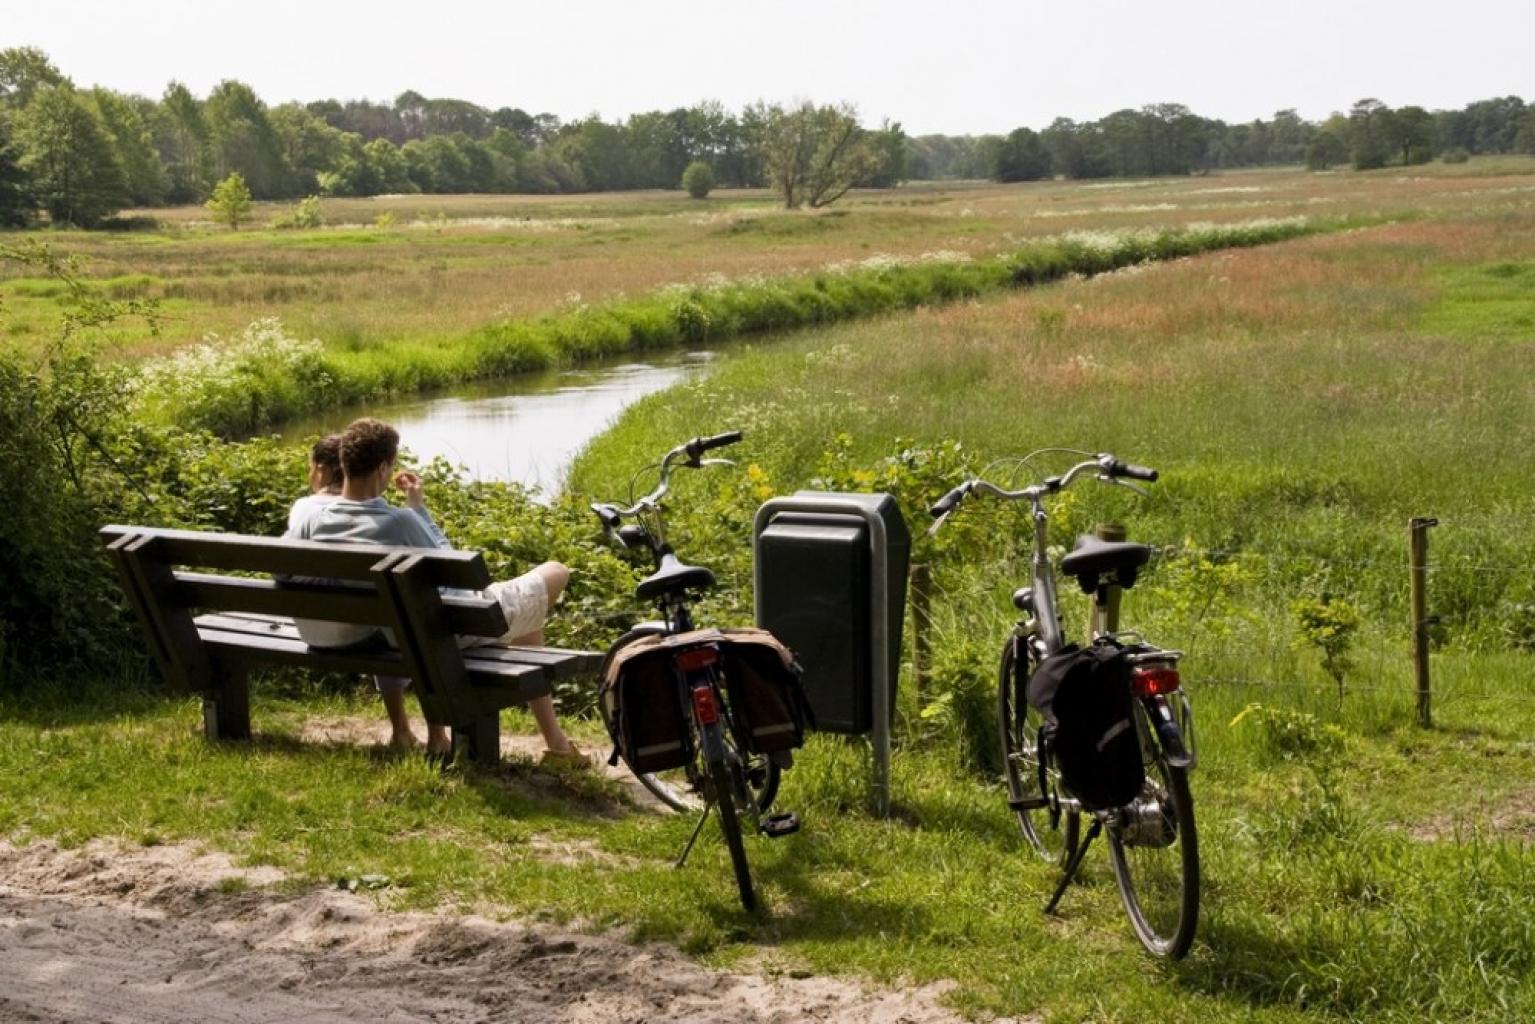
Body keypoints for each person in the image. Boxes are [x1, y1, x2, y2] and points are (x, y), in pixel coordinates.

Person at [286, 417, 585, 768]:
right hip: (444, 632)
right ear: (383, 468)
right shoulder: (400, 521)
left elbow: (286, 573)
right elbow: (455, 569)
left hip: (390, 632)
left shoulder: (314, 520)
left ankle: (557, 744)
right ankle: (557, 745)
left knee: (527, 622)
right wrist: (418, 509)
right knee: (555, 572)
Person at [287, 434, 344, 532]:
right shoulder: (364, 506)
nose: (310, 475)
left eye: (311, 468)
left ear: (322, 469)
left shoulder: (303, 507)